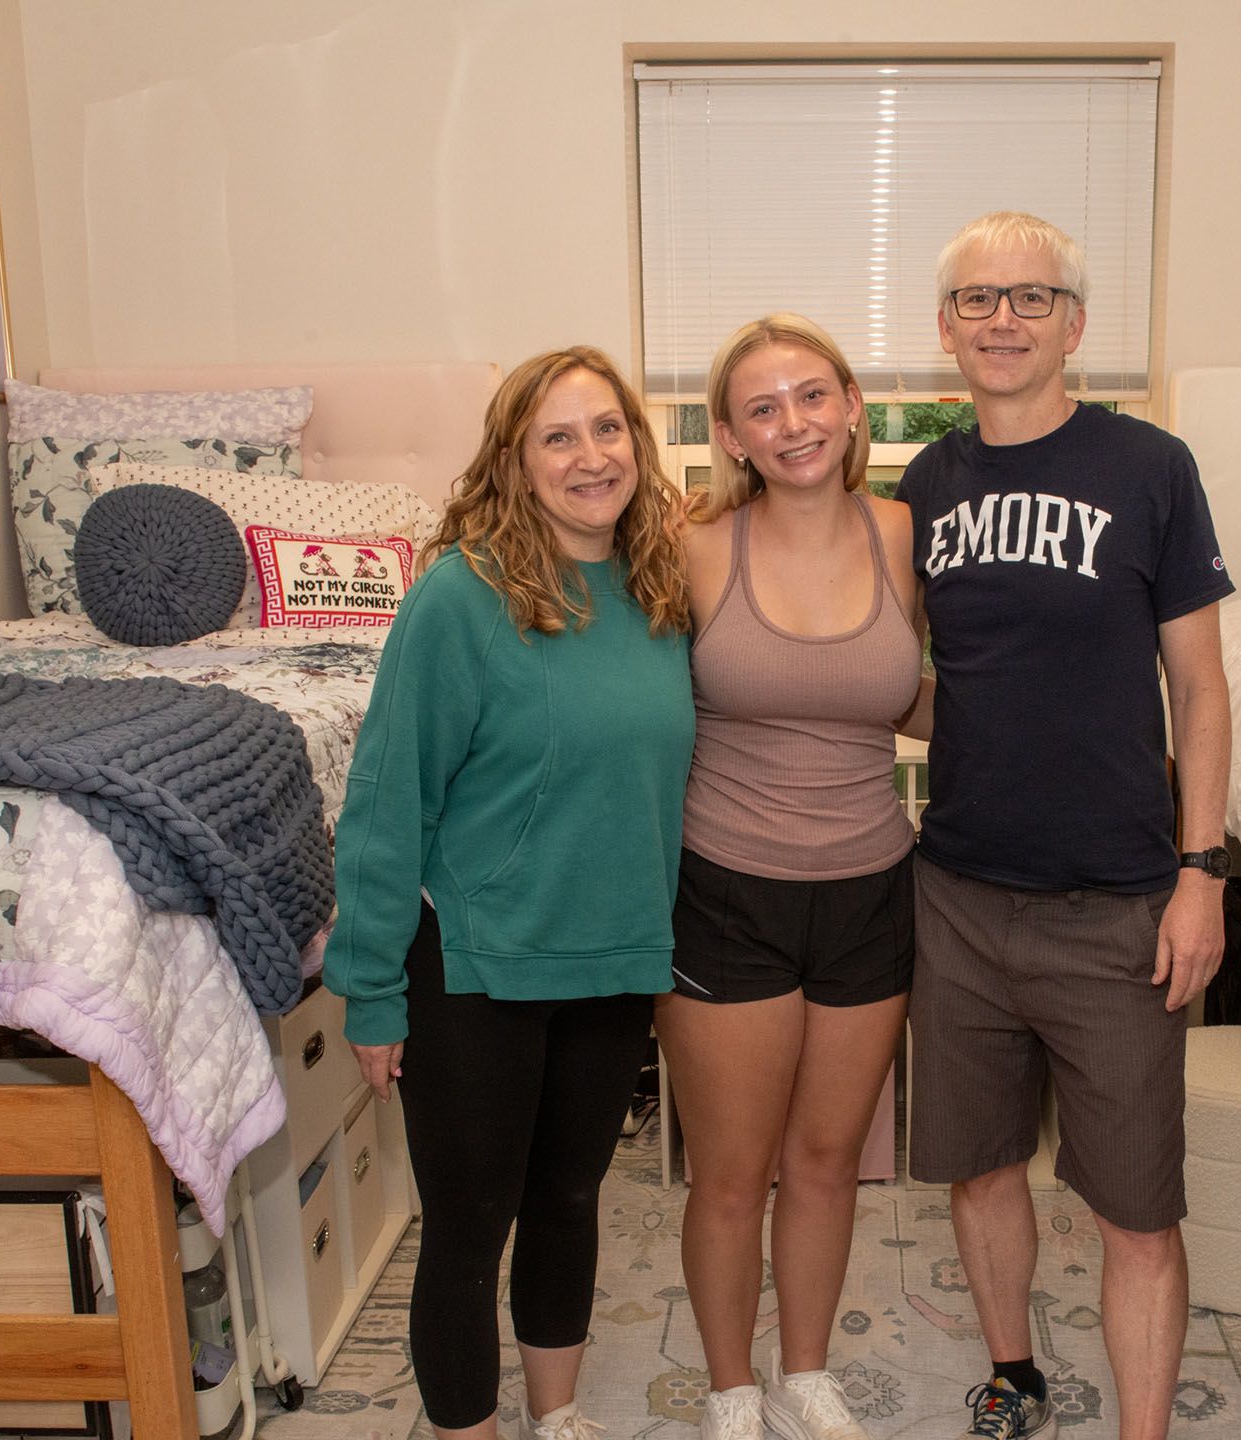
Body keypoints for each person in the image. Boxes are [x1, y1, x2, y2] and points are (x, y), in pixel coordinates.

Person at [896, 213, 1233, 1440]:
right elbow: (914, 678)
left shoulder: (1150, 468)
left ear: (1073, 324)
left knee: (1137, 1207)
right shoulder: (924, 488)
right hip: (962, 896)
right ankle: (1014, 1370)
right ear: (945, 329)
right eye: (977, 301)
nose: (1001, 320)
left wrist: (1201, 875)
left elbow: (1198, 688)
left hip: (1123, 904)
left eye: (1029, 299)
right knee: (978, 1165)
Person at [323, 347, 695, 1440]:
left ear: (637, 441)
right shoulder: (461, 597)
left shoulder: (662, 588)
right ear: (515, 462)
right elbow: (389, 802)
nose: (591, 457)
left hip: (613, 956)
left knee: (571, 1202)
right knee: (469, 1225)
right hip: (477, 967)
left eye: (608, 429)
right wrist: (372, 991)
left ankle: (557, 1415)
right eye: (558, 437)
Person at [662, 315, 929, 1440]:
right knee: (733, 1172)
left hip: (871, 890)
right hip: (725, 888)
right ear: (729, 435)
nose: (793, 424)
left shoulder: (902, 533)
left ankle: (805, 1373)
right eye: (762, 408)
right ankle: (731, 1388)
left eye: (812, 397)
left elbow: (927, 701)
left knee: (827, 1162)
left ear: (853, 406)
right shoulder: (691, 547)